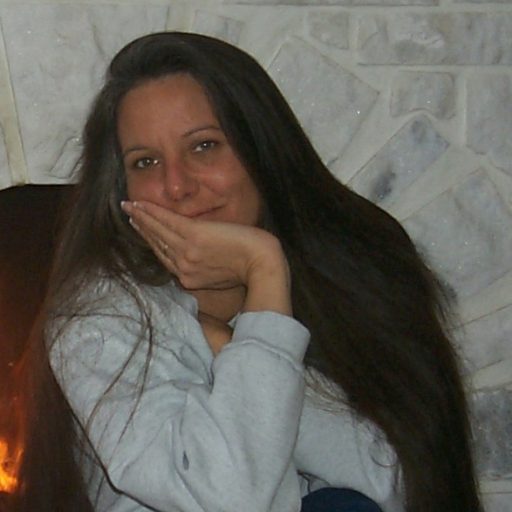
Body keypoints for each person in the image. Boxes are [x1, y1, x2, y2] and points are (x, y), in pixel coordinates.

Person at [14, 32, 482, 512]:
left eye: (204, 146)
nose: (175, 186)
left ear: (261, 149)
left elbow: (404, 481)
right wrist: (264, 291)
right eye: (146, 162)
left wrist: (244, 337)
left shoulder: (355, 264)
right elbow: (228, 498)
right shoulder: (100, 321)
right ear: (121, 189)